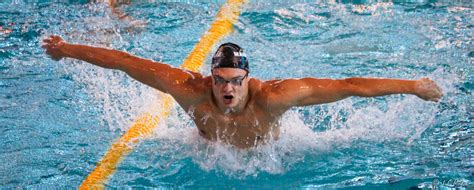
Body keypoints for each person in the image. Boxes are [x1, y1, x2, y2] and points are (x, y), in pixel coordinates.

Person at [42, 35, 443, 148]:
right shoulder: (189, 90)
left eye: (236, 80)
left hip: (266, 154)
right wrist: (66, 51)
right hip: (203, 150)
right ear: (210, 78)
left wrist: (413, 87)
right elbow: (124, 61)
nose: (228, 88)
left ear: (249, 79)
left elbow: (348, 87)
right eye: (221, 80)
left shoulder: (274, 96)